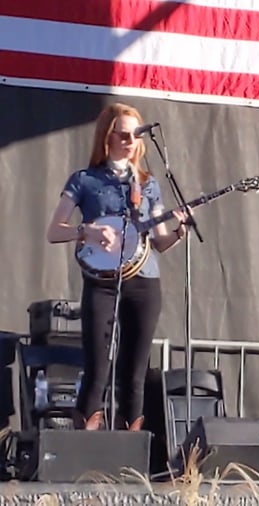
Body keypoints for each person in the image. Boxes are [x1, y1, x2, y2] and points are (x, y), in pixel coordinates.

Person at [46, 103, 189, 431]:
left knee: (135, 372)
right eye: (122, 134)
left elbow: (161, 241)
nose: (129, 140)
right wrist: (88, 230)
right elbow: (54, 231)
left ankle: (129, 454)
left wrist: (180, 229)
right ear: (106, 137)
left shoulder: (147, 184)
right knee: (97, 366)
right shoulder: (84, 180)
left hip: (144, 280)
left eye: (135, 134)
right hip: (101, 283)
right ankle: (85, 447)